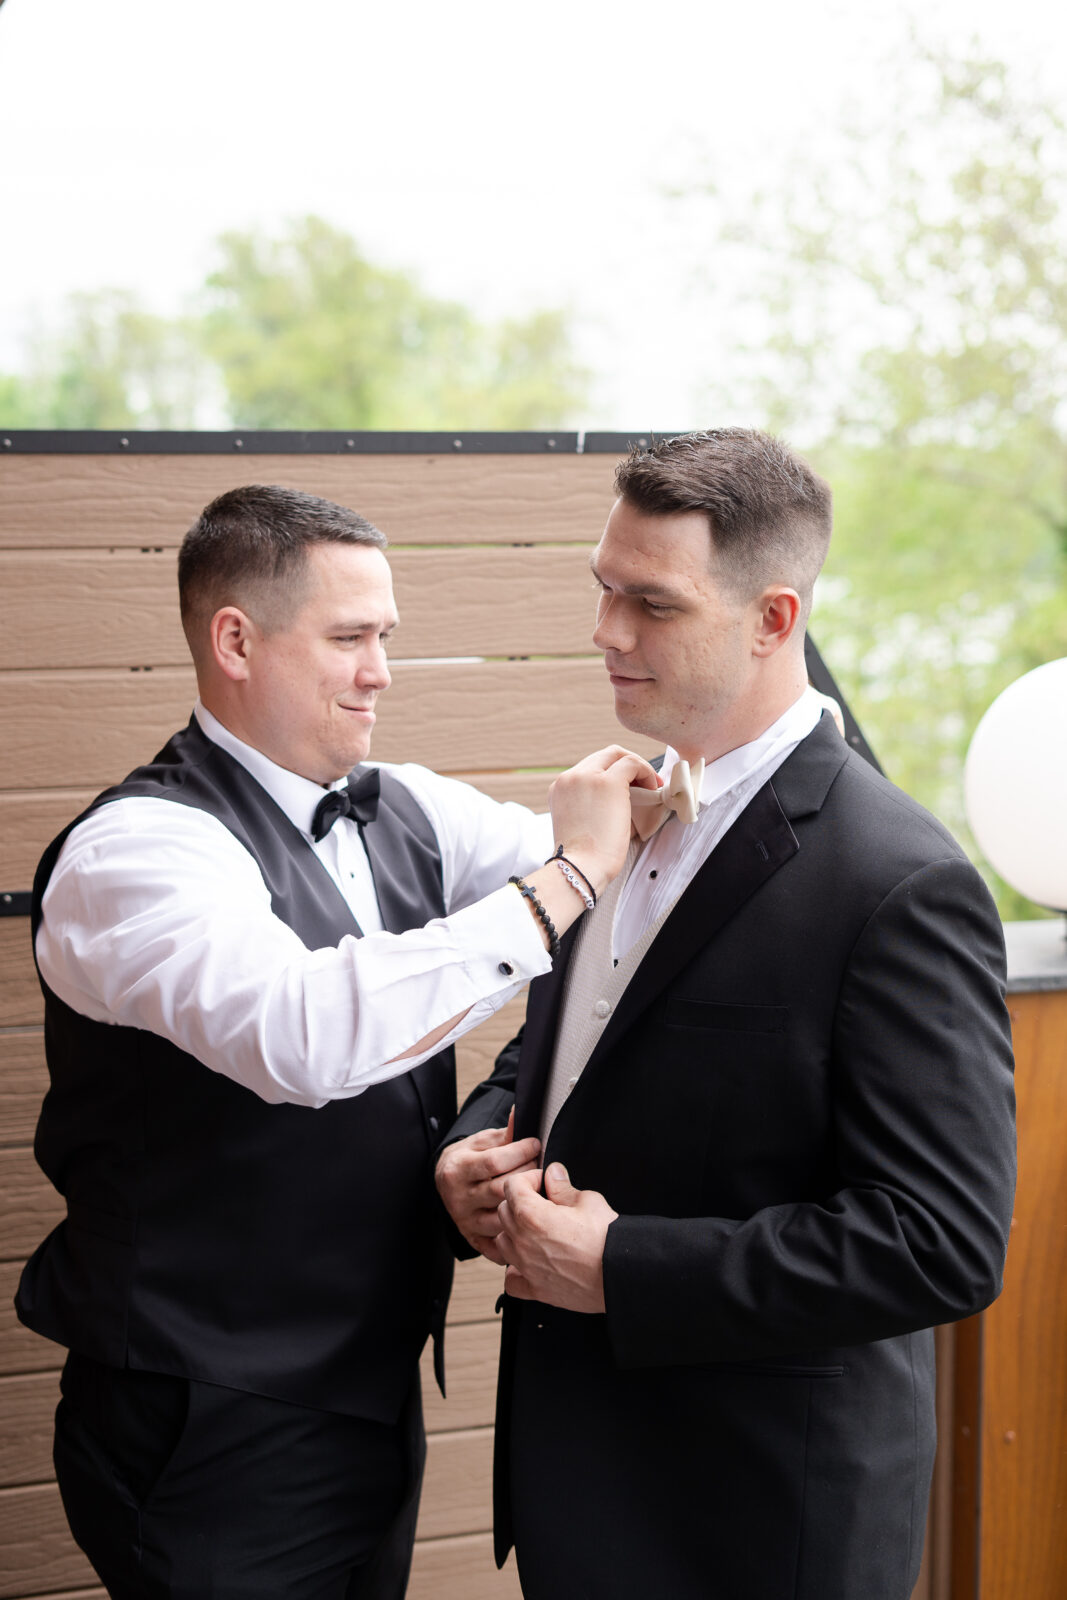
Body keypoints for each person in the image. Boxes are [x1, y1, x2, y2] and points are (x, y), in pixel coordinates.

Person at [16, 483, 655, 1600]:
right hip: (206, 1419)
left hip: (366, 1396)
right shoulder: (135, 852)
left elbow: (621, 867)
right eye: (350, 638)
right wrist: (567, 878)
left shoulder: (401, 804)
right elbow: (306, 1034)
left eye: (386, 639)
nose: (381, 672)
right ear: (234, 641)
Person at [436, 428, 1017, 1600]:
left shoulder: (896, 880)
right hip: (575, 1484)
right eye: (602, 588)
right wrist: (474, 1147)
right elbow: (573, 1054)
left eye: (649, 603)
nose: (604, 631)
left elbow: (941, 1242)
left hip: (755, 1522)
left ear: (772, 616)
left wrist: (623, 1265)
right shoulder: (609, 812)